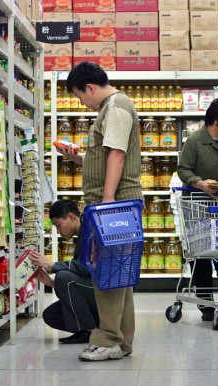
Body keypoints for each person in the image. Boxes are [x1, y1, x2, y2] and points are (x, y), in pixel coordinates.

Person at [58, 62, 143, 361]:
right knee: (119, 274)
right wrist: (79, 159)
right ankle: (120, 342)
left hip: (115, 204)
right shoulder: (109, 108)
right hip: (113, 203)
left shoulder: (116, 106)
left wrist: (107, 201)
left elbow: (118, 154)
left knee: (107, 273)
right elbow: (107, 156)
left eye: (80, 96)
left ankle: (107, 340)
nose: (82, 102)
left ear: (90, 88)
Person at [177, 98, 218, 322]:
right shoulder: (195, 141)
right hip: (199, 207)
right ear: (216, 120)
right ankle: (206, 305)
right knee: (201, 258)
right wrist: (201, 183)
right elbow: (183, 170)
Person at [28, 200, 99, 344]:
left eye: (58, 225)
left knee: (62, 277)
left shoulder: (90, 230)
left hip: (105, 291)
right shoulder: (83, 231)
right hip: (94, 288)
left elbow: (84, 268)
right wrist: (51, 282)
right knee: (50, 315)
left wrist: (52, 265)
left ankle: (88, 331)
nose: (59, 232)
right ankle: (95, 326)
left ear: (72, 217)